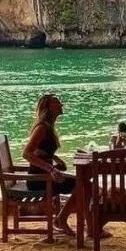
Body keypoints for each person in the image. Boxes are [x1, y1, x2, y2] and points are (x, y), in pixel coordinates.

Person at [23, 94, 76, 235]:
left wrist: (56, 159)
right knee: (81, 185)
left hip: (44, 176)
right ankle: (61, 220)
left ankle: (67, 221)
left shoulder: (48, 127)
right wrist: (51, 169)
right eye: (56, 102)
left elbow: (42, 150)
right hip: (39, 180)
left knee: (85, 185)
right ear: (47, 108)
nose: (61, 104)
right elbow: (27, 153)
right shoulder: (42, 128)